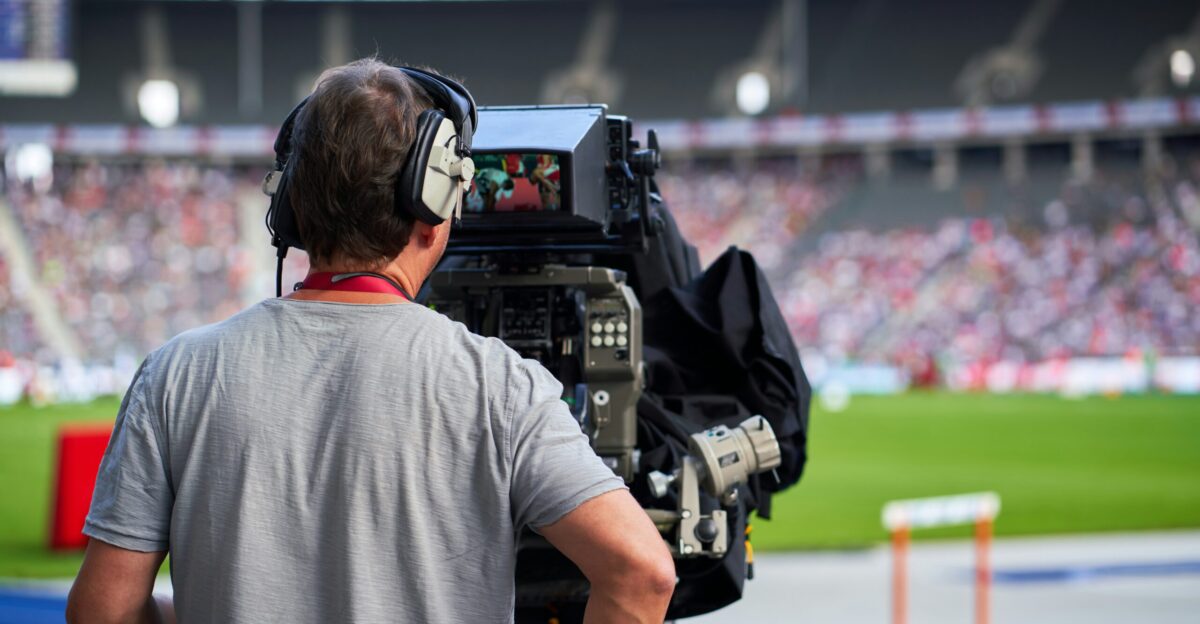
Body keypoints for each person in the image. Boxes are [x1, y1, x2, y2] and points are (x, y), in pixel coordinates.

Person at [66, 58, 675, 624]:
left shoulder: (176, 373)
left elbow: (102, 610)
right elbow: (640, 574)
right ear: (433, 202)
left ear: (291, 205)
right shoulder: (500, 384)